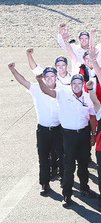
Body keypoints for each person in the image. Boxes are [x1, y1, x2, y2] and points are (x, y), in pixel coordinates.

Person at [36, 72, 97, 208]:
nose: (76, 86)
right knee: (68, 166)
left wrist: (94, 134)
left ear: (82, 85)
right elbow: (46, 91)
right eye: (74, 83)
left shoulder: (87, 98)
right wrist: (40, 81)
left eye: (79, 83)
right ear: (70, 85)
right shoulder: (63, 94)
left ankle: (84, 187)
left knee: (83, 164)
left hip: (83, 134)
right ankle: (67, 194)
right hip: (68, 136)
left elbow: (92, 117)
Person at [9, 61, 61, 196]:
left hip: (58, 130)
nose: (49, 78)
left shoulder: (61, 90)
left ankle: (65, 184)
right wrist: (13, 70)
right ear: (43, 78)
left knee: (63, 157)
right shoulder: (36, 88)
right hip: (43, 130)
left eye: (52, 76)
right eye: (46, 76)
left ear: (56, 77)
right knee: (43, 158)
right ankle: (44, 183)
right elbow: (23, 81)